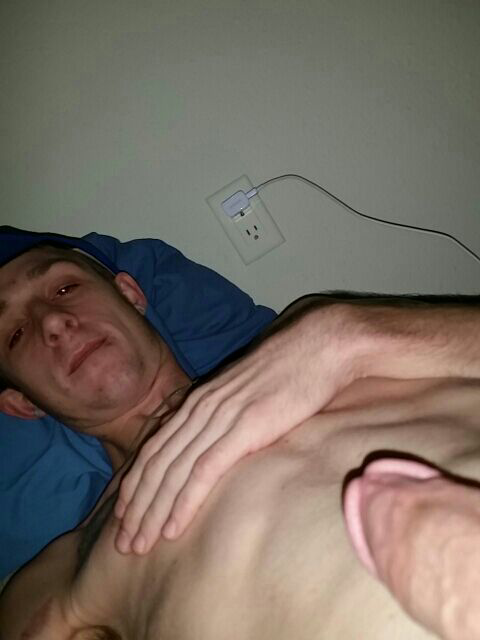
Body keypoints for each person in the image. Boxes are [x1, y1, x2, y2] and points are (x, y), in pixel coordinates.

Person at [2, 343, 480, 639]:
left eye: (64, 288)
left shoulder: (319, 333)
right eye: (17, 334)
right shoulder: (68, 563)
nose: (54, 323)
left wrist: (346, 334)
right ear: (22, 403)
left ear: (129, 292)